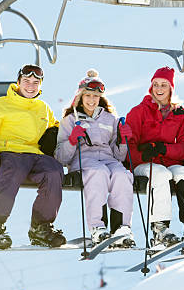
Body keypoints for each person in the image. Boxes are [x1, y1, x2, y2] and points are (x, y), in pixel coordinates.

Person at [0, 64, 66, 249]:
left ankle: (41, 228)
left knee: (54, 171)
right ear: (18, 82)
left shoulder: (43, 107)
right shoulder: (0, 104)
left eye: (35, 82)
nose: (31, 86)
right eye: (26, 81)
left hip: (35, 156)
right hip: (9, 154)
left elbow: (53, 123)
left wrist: (53, 132)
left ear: (40, 85)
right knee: (15, 169)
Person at [126, 67, 184, 252]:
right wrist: (142, 155)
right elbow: (128, 144)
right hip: (144, 164)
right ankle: (159, 230)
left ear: (171, 88)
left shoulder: (180, 114)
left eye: (163, 84)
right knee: (160, 174)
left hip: (170, 163)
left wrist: (165, 149)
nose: (159, 88)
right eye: (155, 84)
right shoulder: (139, 112)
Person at [55, 69, 135, 248]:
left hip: (108, 160)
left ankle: (121, 227)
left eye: (95, 97)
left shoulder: (110, 119)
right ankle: (98, 227)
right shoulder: (70, 120)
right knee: (99, 173)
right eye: (88, 96)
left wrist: (123, 140)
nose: (92, 100)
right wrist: (72, 140)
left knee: (123, 175)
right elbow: (61, 157)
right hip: (84, 162)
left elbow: (119, 156)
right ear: (81, 96)